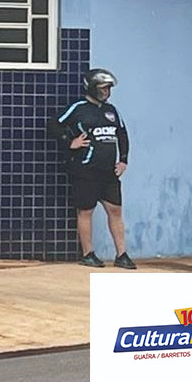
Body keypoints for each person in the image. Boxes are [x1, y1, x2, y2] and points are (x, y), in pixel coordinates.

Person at [48, 68, 135, 269]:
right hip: (85, 169)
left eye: (109, 88)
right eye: (104, 88)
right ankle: (88, 253)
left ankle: (121, 254)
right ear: (93, 87)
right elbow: (54, 124)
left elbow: (122, 135)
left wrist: (123, 160)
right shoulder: (78, 108)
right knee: (86, 211)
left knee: (115, 210)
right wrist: (70, 141)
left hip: (108, 172)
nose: (107, 92)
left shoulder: (111, 110)